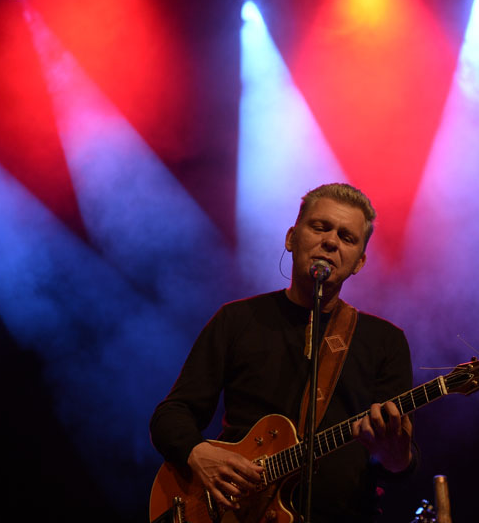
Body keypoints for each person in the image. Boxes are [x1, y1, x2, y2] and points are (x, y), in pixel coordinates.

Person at [150, 183, 415, 522]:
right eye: (320, 227)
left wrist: (396, 456)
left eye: (347, 237)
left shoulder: (385, 342)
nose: (331, 242)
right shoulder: (237, 320)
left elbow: (397, 464)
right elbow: (172, 414)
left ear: (359, 262)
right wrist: (198, 453)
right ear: (291, 238)